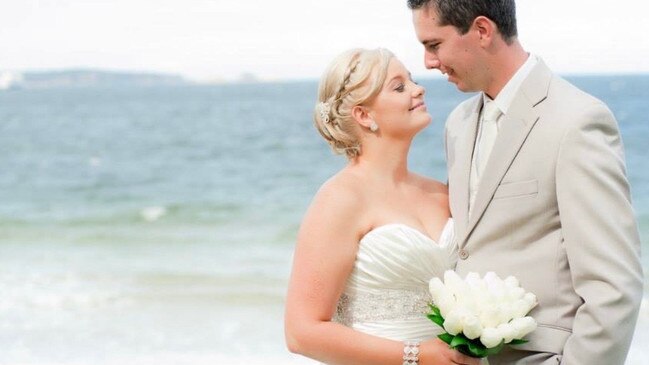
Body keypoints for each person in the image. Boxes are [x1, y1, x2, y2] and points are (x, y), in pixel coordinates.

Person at [407, 0, 644, 363]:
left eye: (434, 45)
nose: (428, 62)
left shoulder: (576, 121)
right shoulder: (458, 123)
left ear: (483, 31)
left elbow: (614, 284)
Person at [284, 48, 480, 365]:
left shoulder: (441, 193)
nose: (419, 89)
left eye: (412, 81)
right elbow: (301, 332)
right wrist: (418, 356)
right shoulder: (340, 199)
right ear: (364, 115)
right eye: (399, 86)